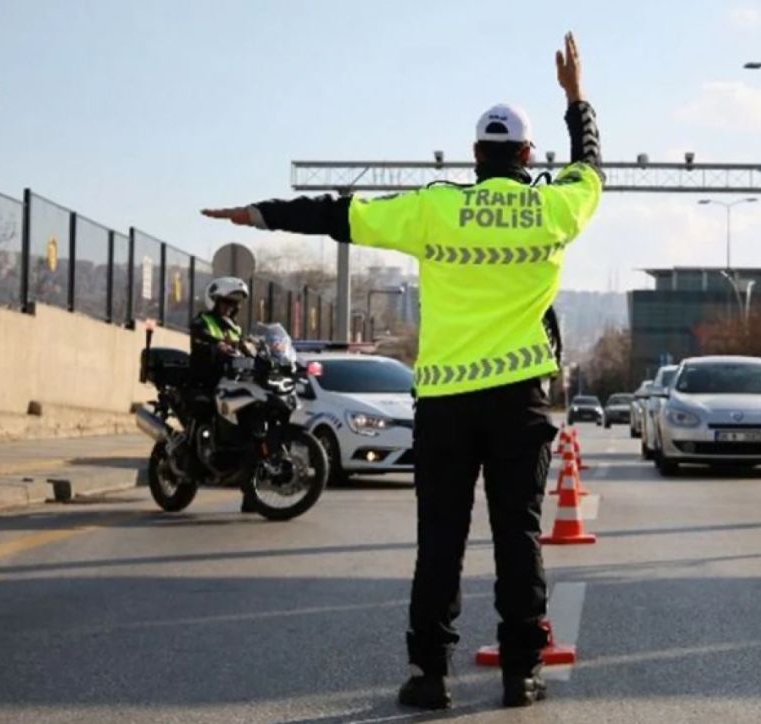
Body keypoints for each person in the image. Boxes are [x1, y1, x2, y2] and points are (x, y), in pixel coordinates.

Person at [202, 32, 601, 709]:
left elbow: (338, 214)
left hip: (446, 403)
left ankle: (429, 676)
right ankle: (520, 673)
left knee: (439, 541)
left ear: (477, 156)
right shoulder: (556, 206)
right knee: (519, 535)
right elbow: (591, 166)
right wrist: (576, 98)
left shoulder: (434, 206)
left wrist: (258, 214)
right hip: (518, 403)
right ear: (529, 157)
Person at [189, 276, 256, 513]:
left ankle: (251, 495)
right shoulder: (203, 320)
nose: (229, 307)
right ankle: (197, 455)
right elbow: (199, 335)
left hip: (231, 383)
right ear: (214, 302)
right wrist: (216, 344)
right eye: (225, 302)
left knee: (250, 433)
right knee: (204, 412)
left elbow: (245, 348)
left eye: (232, 304)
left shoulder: (235, 327)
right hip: (205, 381)